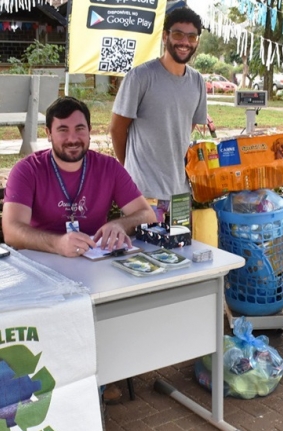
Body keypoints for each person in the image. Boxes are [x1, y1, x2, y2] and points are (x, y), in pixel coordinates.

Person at [2, 96, 156, 258]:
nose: (73, 138)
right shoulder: (27, 170)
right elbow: (12, 231)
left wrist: (121, 225)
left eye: (79, 128)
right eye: (63, 130)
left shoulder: (109, 168)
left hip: (95, 263)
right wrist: (58, 244)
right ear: (48, 133)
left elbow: (147, 214)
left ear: (89, 130)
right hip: (43, 263)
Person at [110, 6, 208, 210]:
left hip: (180, 192)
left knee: (183, 243)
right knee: (143, 244)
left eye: (192, 37)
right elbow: (117, 129)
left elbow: (186, 127)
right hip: (143, 194)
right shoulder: (140, 77)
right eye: (178, 34)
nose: (185, 42)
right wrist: (130, 170)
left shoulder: (197, 81)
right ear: (165, 36)